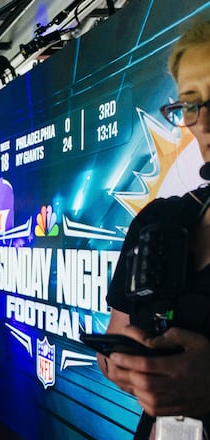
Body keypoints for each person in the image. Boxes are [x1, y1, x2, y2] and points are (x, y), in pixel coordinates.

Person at [98, 17, 210, 439]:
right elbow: (114, 340)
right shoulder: (159, 219)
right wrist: (125, 367)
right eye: (191, 103)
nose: (203, 122)